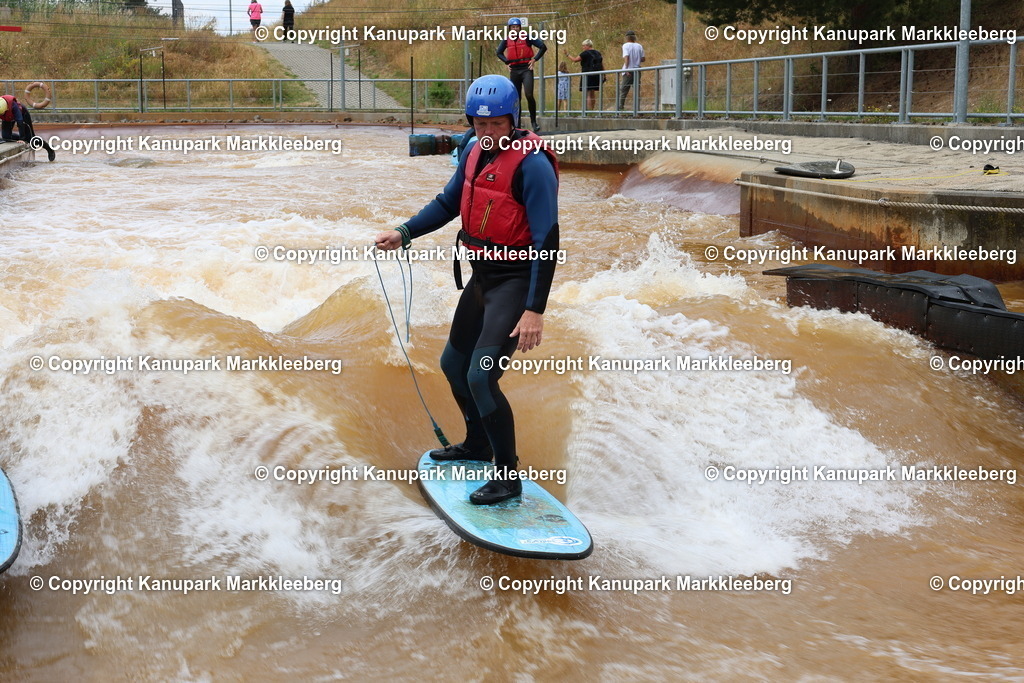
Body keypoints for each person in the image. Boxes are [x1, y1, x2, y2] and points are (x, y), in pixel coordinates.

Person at [373, 75, 559, 505]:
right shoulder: (473, 152)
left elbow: (548, 241)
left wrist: (534, 310)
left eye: (496, 124)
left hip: (515, 282)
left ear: (513, 120)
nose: (488, 131)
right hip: (481, 278)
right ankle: (477, 443)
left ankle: (507, 475)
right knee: (453, 365)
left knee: (482, 375)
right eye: (480, 123)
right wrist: (404, 232)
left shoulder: (531, 165)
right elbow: (447, 203)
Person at [495, 17, 547, 132]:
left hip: (526, 69)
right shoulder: (506, 40)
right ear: (509, 29)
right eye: (513, 27)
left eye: (517, 27)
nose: (515, 29)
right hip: (514, 70)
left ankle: (533, 121)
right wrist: (506, 62)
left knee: (529, 94)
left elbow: (543, 47)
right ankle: (517, 124)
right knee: (516, 98)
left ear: (520, 28)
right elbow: (498, 52)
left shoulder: (527, 37)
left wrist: (534, 59)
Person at [0, 95, 55, 162]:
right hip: (8, 117)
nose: (2, 114)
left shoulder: (14, 106)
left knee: (30, 139)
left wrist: (22, 138)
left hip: (23, 115)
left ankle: (49, 149)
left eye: (3, 113)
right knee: (6, 137)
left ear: (7, 109)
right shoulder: (2, 110)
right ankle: (24, 137)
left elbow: (20, 122)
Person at [568, 39, 603, 111]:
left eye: (583, 46)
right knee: (592, 93)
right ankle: (592, 109)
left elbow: (575, 60)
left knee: (588, 93)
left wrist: (567, 55)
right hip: (597, 74)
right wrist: (604, 73)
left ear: (587, 46)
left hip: (587, 74)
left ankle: (588, 110)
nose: (583, 47)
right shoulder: (598, 53)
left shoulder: (585, 53)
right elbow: (601, 64)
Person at [618, 29, 645, 111]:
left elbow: (627, 57)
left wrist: (626, 69)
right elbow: (643, 59)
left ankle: (620, 108)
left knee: (623, 90)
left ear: (627, 38)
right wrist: (636, 59)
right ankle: (637, 109)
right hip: (637, 69)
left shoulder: (625, 45)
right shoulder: (639, 46)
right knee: (636, 90)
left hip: (629, 70)